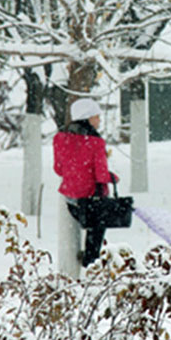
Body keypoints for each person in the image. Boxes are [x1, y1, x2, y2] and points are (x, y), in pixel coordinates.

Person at [53, 97, 119, 266]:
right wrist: (114, 177)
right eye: (97, 117)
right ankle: (91, 263)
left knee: (92, 225)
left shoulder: (60, 139)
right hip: (91, 199)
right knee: (96, 229)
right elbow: (101, 175)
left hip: (71, 200)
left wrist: (75, 172)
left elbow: (58, 169)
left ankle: (85, 260)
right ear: (88, 118)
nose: (99, 121)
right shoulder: (96, 142)